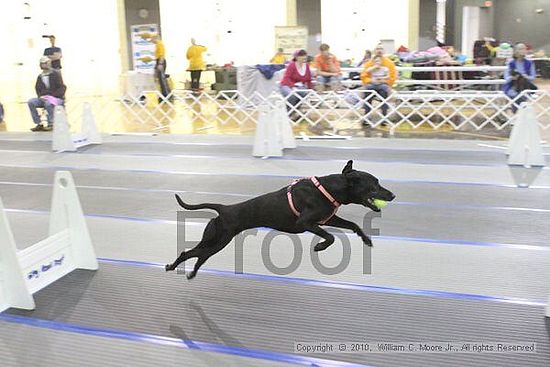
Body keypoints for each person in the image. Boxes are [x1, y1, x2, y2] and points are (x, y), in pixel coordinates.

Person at [360, 44, 397, 123]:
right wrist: (371, 80)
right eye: (377, 49)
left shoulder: (390, 63)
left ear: (384, 51)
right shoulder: (369, 63)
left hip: (383, 85)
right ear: (374, 51)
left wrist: (384, 81)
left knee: (384, 92)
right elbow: (363, 76)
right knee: (367, 92)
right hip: (371, 85)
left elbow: (392, 77)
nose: (379, 50)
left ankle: (384, 117)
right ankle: (367, 116)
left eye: (381, 49)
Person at [28, 57, 66, 131]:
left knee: (48, 103)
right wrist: (41, 96)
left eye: (46, 63)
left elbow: (62, 88)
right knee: (31, 102)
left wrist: (52, 96)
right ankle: (38, 123)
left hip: (56, 98)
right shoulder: (40, 76)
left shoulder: (55, 74)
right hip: (44, 98)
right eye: (43, 63)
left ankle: (51, 123)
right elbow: (38, 89)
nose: (44, 65)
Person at [503, 43, 537, 113]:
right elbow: (506, 78)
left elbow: (533, 77)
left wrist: (526, 76)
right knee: (514, 95)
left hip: (525, 86)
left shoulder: (530, 63)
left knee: (523, 96)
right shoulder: (510, 63)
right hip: (512, 86)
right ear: (515, 51)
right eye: (520, 49)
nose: (523, 51)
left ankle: (516, 114)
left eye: (524, 49)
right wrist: (512, 77)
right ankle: (516, 114)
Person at [280, 49, 313, 120]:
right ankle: (289, 113)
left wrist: (311, 89)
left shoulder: (306, 66)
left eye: (304, 55)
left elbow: (309, 79)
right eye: (301, 56)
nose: (304, 57)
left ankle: (295, 110)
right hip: (286, 85)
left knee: (304, 93)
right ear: (297, 57)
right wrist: (293, 87)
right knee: (292, 95)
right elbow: (286, 78)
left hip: (298, 86)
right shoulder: (291, 65)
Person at [150, 34, 171, 100]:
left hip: (160, 61)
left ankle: (167, 95)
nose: (151, 41)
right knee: (160, 80)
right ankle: (164, 94)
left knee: (162, 80)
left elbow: (162, 55)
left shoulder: (160, 44)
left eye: (152, 39)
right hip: (158, 61)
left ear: (155, 38)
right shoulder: (157, 45)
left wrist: (160, 64)